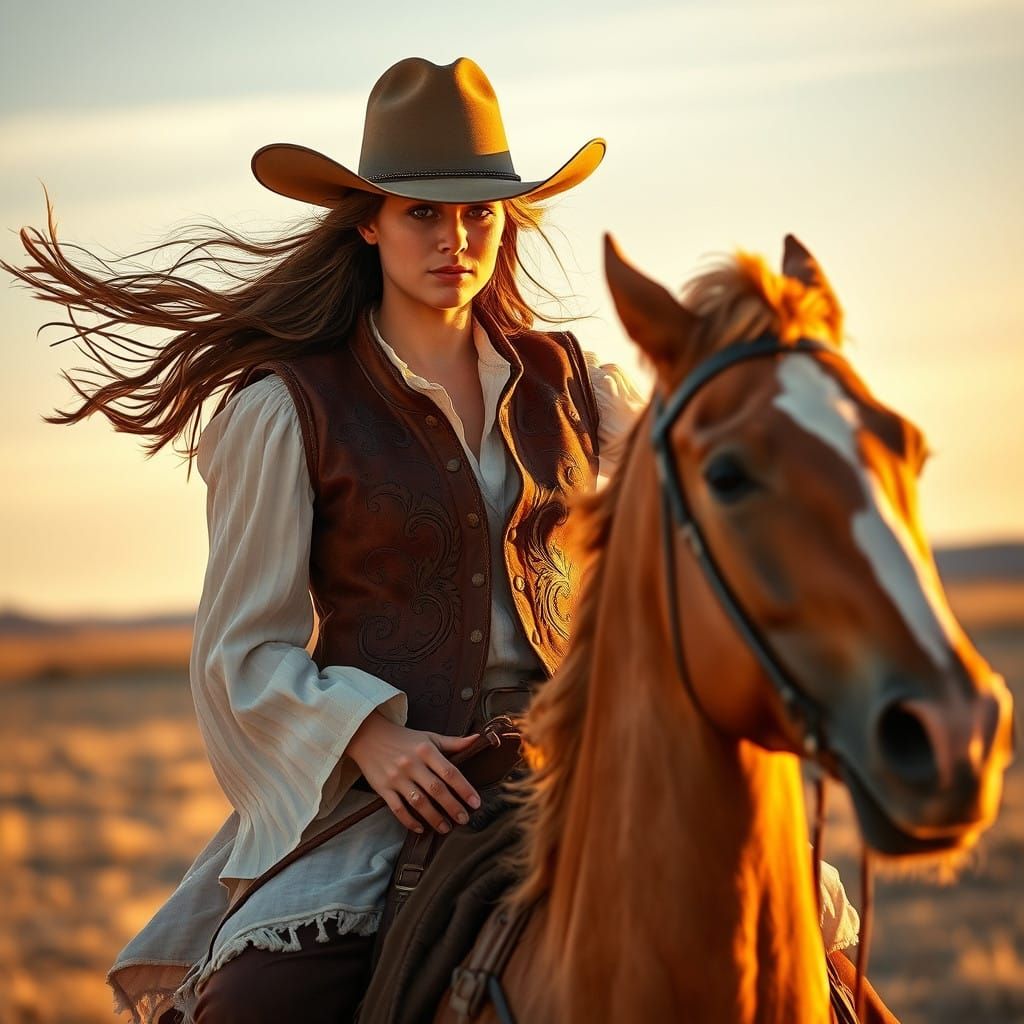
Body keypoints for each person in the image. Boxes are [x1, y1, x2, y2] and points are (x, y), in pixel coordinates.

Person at [4, 57, 859, 1024]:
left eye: (480, 214)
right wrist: (374, 739)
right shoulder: (288, 407)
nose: (456, 238)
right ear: (367, 219)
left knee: (810, 966)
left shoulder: (576, 384)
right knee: (255, 1008)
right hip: (394, 793)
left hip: (589, 766)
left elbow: (711, 493)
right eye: (422, 212)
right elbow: (242, 653)